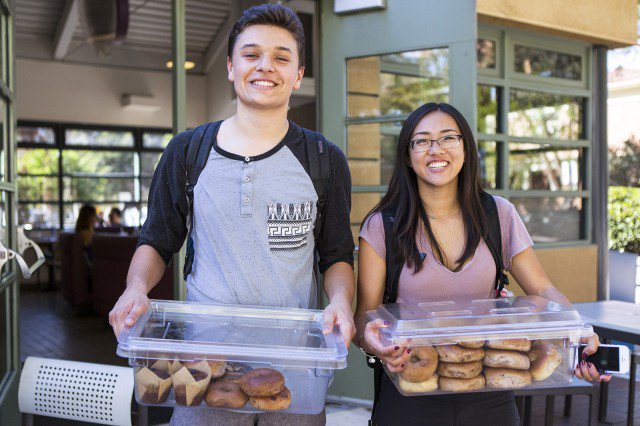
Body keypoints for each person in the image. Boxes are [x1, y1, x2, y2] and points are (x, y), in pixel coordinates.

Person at [108, 4, 355, 425]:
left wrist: (340, 302)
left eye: (281, 57)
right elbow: (157, 241)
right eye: (251, 54)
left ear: (298, 74)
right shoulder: (188, 151)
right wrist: (136, 288)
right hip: (204, 363)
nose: (265, 67)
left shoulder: (323, 159)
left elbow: (336, 256)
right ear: (230, 67)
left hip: (294, 366)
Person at [354, 102, 610, 426]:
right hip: (411, 390)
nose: (437, 150)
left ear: (466, 148)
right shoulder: (383, 225)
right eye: (422, 140)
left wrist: (579, 331)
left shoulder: (497, 214)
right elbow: (364, 315)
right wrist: (375, 340)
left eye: (449, 138)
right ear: (408, 154)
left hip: (491, 389)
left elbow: (542, 288)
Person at [75, 204, 97, 289]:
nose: (96, 219)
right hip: (90, 269)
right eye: (95, 216)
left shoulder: (80, 232)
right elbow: (88, 254)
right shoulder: (87, 234)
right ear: (90, 218)